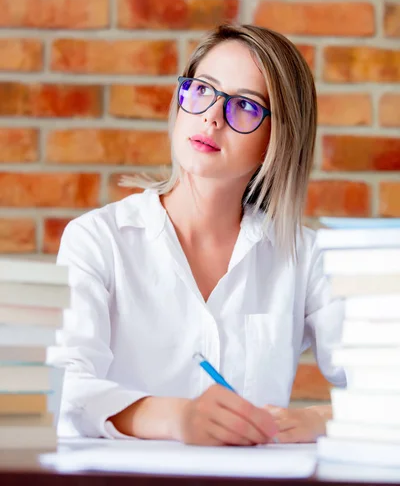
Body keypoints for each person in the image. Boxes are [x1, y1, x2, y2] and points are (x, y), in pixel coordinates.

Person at [50, 23, 346, 446]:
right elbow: (66, 390)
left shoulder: (305, 257)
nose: (210, 116)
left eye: (245, 105)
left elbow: (384, 390)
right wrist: (176, 418)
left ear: (276, 138)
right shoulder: (98, 241)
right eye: (203, 89)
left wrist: (320, 419)